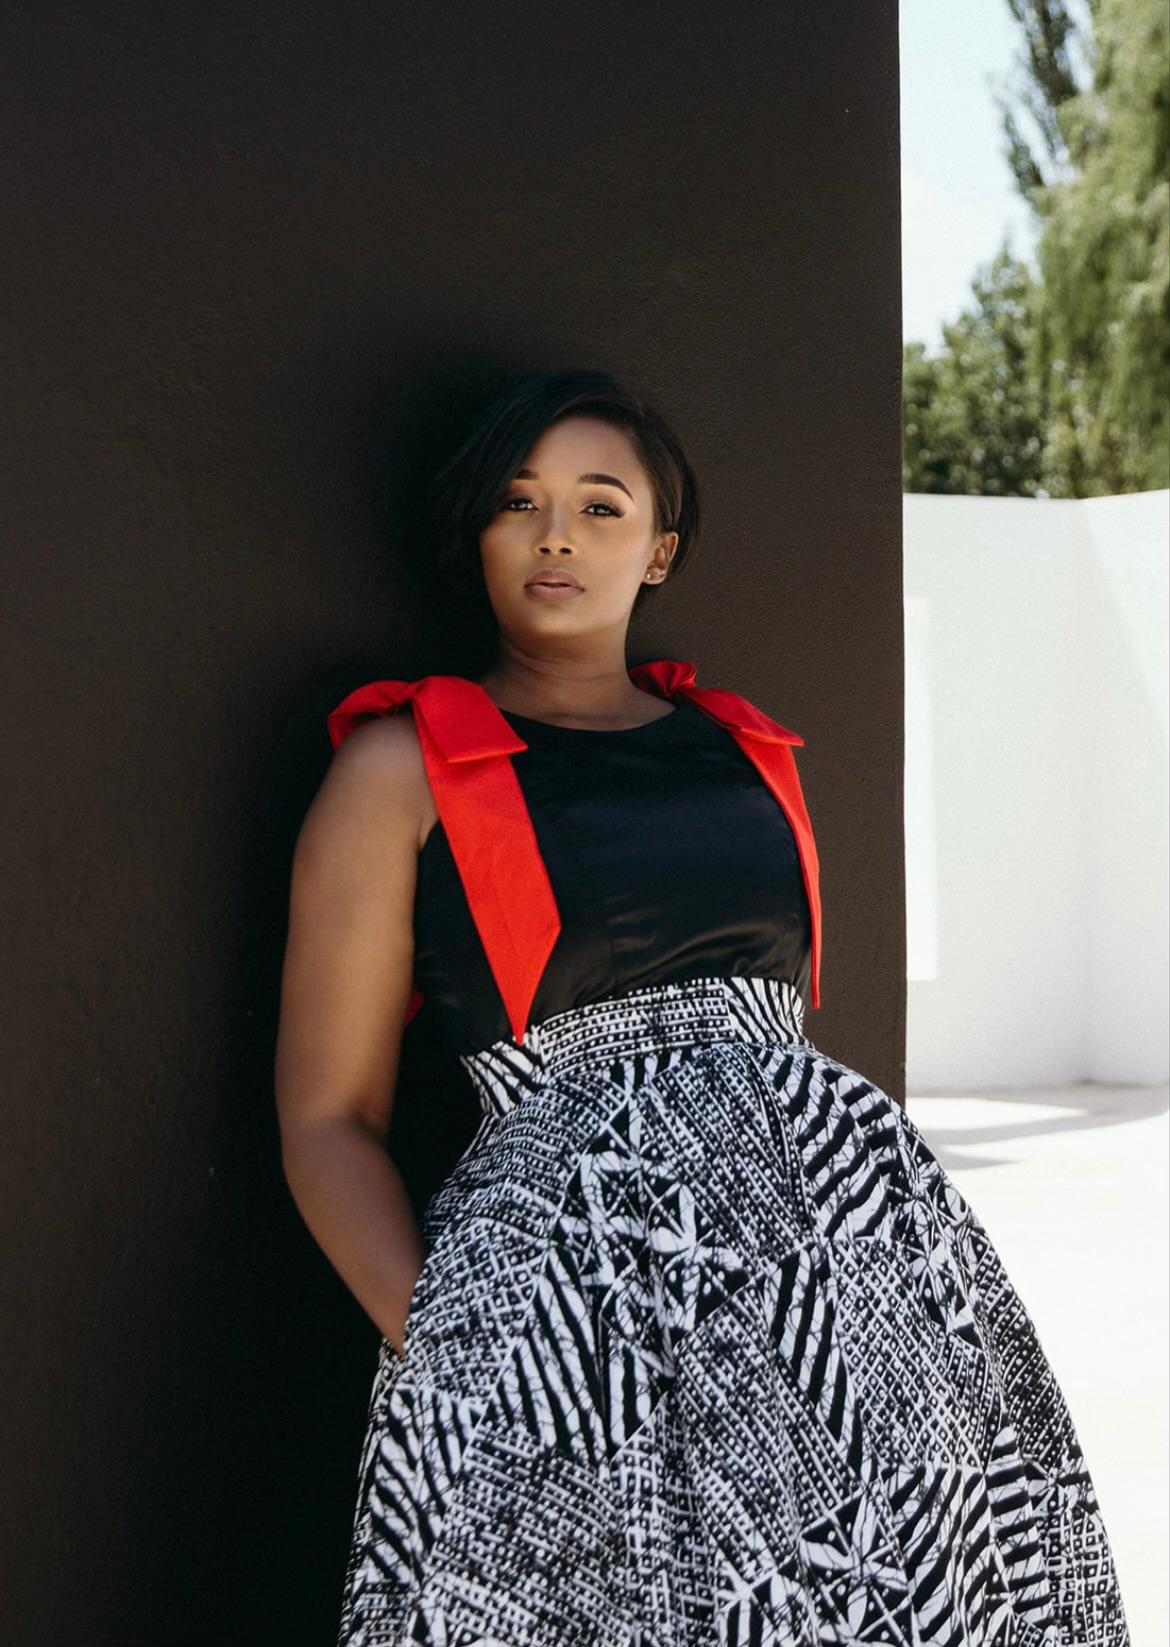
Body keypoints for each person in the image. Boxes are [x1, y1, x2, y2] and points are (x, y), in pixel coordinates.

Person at [274, 369, 1130, 1646]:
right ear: (481, 534)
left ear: (659, 548)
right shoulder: (400, 767)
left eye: (599, 505)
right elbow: (327, 1117)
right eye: (520, 502)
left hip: (846, 1293)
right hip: (574, 1317)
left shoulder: (744, 750)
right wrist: (465, 1356)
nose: (556, 533)